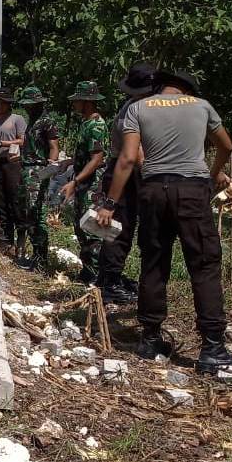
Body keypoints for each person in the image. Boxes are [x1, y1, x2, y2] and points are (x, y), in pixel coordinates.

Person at [98, 70, 232, 374]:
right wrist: (212, 174)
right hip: (192, 190)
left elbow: (127, 159)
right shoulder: (201, 106)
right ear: (187, 89)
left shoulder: (138, 108)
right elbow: (227, 146)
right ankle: (213, 348)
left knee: (153, 261)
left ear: (160, 87)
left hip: (153, 191)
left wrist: (110, 203)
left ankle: (150, 339)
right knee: (204, 265)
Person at [97, 62, 159, 303]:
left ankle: (109, 278)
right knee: (118, 227)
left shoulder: (135, 106)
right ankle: (110, 282)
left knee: (121, 226)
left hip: (127, 168)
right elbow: (135, 154)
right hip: (126, 170)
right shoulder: (134, 111)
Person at [59, 81, 109, 284]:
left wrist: (75, 181)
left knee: (92, 230)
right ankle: (87, 270)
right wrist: (69, 162)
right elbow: (87, 155)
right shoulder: (85, 123)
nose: (74, 104)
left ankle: (97, 275)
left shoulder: (96, 125)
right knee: (81, 227)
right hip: (83, 184)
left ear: (86, 102)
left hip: (92, 187)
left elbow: (97, 159)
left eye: (77, 100)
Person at [15, 86, 61, 270]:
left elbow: (54, 146)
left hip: (38, 171)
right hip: (27, 169)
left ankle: (40, 259)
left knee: (36, 213)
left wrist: (51, 166)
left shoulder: (47, 122)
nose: (26, 108)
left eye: (29, 105)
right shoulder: (32, 121)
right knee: (27, 211)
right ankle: (35, 255)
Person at [0, 87, 26, 249]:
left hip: (13, 163)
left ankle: (20, 235)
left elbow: (22, 141)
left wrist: (1, 143)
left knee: (15, 198)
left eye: (2, 103)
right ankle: (7, 234)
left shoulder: (16, 119)